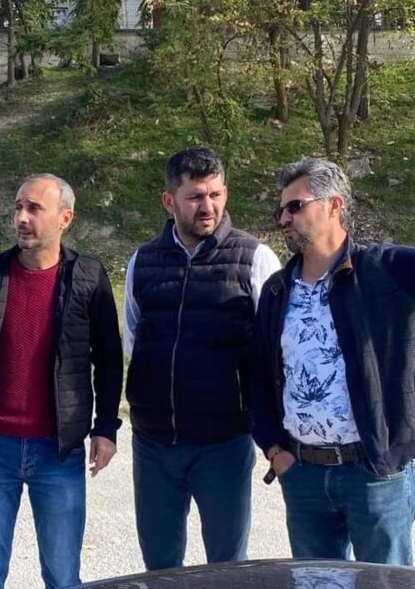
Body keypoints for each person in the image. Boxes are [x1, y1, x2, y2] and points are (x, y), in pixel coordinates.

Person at [250, 157, 415, 565]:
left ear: (334, 205)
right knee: (317, 583)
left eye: (295, 206)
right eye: (280, 210)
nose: (284, 218)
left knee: (386, 583)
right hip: (303, 475)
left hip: (374, 474)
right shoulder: (277, 290)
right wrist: (274, 450)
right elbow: (258, 377)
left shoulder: (385, 270)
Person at [0, 173, 123, 589]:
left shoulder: (88, 277)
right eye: (18, 207)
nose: (22, 217)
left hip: (58, 451)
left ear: (65, 218)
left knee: (62, 576)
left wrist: (106, 428)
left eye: (34, 209)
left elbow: (109, 359)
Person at [124, 146, 281, 569]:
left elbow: (274, 352)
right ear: (168, 201)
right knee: (160, 568)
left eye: (215, 194)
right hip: (154, 444)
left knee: (227, 568)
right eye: (194, 197)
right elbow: (134, 338)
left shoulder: (256, 259)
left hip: (223, 445)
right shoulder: (142, 262)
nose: (207, 206)